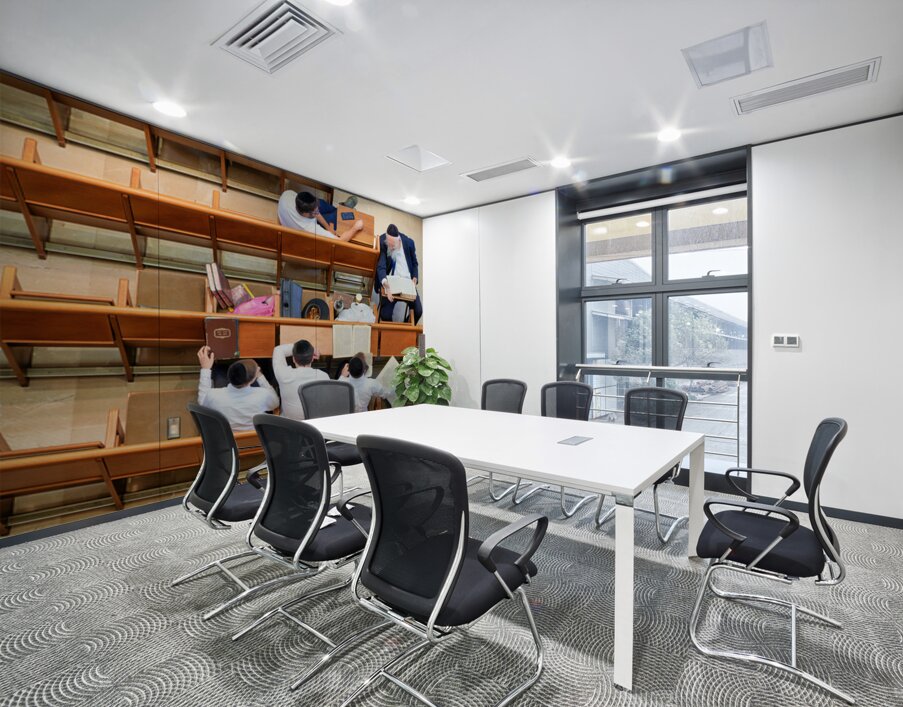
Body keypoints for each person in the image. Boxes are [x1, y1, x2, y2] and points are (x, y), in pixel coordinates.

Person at [196, 346, 279, 431]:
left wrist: (205, 368)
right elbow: (275, 404)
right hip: (254, 434)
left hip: (228, 434)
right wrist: (260, 376)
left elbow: (202, 402)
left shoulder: (213, 396)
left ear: (229, 375)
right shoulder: (263, 395)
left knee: (218, 369)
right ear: (251, 381)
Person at [271, 338, 329, 421]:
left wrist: (301, 349)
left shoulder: (284, 375)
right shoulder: (324, 377)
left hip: (289, 424)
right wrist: (309, 351)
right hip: (313, 425)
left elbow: (278, 349)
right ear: (312, 358)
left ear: (293, 359)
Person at [376, 223, 423, 324]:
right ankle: (392, 332)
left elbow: (415, 263)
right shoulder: (383, 241)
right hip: (391, 283)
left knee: (418, 311)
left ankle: (405, 327)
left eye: (393, 245)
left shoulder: (409, 243)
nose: (390, 247)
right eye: (389, 244)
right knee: (385, 314)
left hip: (407, 282)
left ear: (399, 241)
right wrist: (385, 283)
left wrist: (415, 277)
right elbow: (381, 265)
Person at [277, 190, 363, 242]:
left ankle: (340, 210)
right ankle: (342, 210)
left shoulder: (288, 195)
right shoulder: (309, 229)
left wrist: (329, 228)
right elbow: (341, 241)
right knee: (333, 218)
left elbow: (315, 211)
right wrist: (355, 228)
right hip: (306, 227)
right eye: (315, 212)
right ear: (305, 214)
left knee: (321, 203)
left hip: (298, 214)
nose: (317, 212)